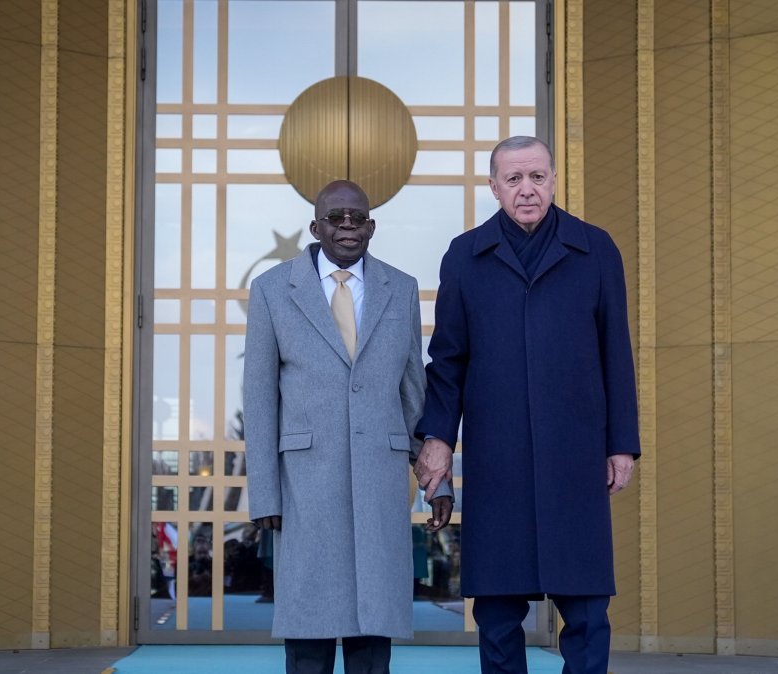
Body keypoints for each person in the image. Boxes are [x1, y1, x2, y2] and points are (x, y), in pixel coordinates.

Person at [414, 136, 640, 674]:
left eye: (537, 177)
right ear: (493, 188)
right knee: (497, 609)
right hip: (500, 455)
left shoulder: (596, 248)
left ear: (555, 180)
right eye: (513, 179)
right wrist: (438, 440)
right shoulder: (465, 255)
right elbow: (448, 359)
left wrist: (621, 444)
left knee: (586, 608)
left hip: (576, 452)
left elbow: (617, 352)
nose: (527, 189)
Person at [244, 180, 454, 674]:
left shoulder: (399, 288)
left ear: (372, 227)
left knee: (372, 637)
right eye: (335, 218)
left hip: (379, 485)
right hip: (305, 489)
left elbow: (413, 393)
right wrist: (264, 495)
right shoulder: (273, 289)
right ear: (315, 226)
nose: (346, 226)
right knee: (309, 636)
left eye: (356, 218)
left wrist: (437, 481)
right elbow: (258, 399)